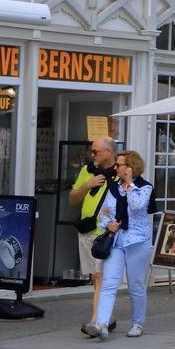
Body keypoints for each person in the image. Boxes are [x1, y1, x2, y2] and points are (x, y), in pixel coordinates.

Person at [83, 150, 158, 340]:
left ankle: (137, 323)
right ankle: (101, 323)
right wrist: (108, 224)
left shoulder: (144, 187)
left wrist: (130, 184)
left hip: (137, 241)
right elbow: (105, 211)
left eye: (119, 165)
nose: (115, 168)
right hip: (116, 240)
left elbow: (137, 206)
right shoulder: (113, 187)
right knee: (109, 282)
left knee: (136, 285)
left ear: (130, 168)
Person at [70, 136, 117, 334]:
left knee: (100, 277)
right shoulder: (87, 171)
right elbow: (73, 198)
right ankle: (107, 317)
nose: (92, 154)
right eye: (92, 151)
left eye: (96, 151)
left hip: (105, 232)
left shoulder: (119, 173)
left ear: (109, 152)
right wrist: (87, 185)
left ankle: (97, 321)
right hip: (86, 230)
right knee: (94, 277)